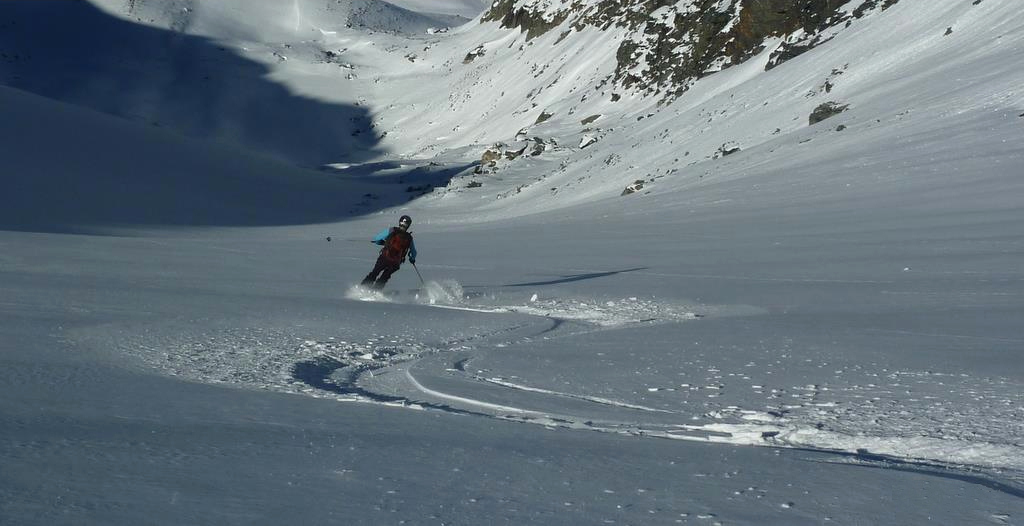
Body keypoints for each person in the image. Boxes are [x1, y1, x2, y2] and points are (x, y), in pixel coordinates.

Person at [361, 215, 417, 289]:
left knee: (375, 272)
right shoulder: (409, 238)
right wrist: (412, 259)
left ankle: (364, 287)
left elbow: (377, 239)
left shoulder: (392, 230)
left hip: (384, 258)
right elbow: (414, 252)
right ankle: (376, 290)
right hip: (396, 262)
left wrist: (383, 243)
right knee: (385, 277)